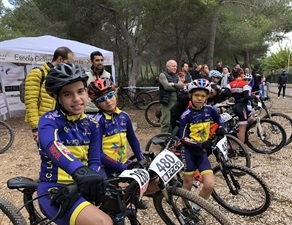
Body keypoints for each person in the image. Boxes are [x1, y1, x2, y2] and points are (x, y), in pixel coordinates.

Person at [37, 63, 112, 225]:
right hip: (55, 188)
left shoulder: (93, 124)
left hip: (81, 186)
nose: (77, 99)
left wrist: (94, 177)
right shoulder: (48, 121)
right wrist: (79, 171)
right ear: (56, 97)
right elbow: (53, 146)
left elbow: (95, 160)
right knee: (103, 222)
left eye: (80, 91)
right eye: (67, 94)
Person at [87, 77, 157, 209]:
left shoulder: (124, 116)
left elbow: (133, 140)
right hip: (103, 167)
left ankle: (134, 197)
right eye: (101, 99)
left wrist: (142, 159)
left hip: (120, 163)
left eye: (110, 95)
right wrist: (122, 167)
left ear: (116, 93)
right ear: (96, 104)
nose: (107, 101)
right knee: (108, 199)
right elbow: (98, 154)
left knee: (150, 178)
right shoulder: (98, 121)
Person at [178, 78, 225, 210]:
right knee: (188, 183)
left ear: (207, 97)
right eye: (196, 95)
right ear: (190, 96)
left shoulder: (210, 110)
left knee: (209, 185)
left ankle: (195, 209)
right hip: (188, 151)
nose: (199, 98)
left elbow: (219, 118)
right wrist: (200, 145)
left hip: (201, 152)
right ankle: (185, 209)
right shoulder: (186, 115)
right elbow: (182, 138)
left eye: (203, 96)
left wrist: (221, 128)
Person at [25, 47, 74, 143]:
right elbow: (31, 101)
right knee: (48, 153)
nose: (70, 65)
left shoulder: (63, 76)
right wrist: (35, 127)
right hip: (45, 123)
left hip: (62, 122)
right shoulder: (37, 73)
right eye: (68, 62)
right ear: (60, 59)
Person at [227, 68, 255, 144]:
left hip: (235, 105)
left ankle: (235, 132)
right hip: (242, 106)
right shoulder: (244, 84)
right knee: (243, 127)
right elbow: (246, 97)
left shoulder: (230, 84)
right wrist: (254, 97)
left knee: (251, 121)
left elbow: (225, 94)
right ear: (241, 74)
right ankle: (241, 149)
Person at [158, 59, 184, 133]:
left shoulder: (176, 76)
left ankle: (170, 139)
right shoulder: (162, 75)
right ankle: (163, 138)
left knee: (173, 121)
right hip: (167, 102)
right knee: (166, 122)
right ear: (168, 67)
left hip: (176, 102)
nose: (175, 67)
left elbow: (181, 86)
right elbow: (166, 87)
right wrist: (177, 87)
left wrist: (173, 84)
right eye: (173, 66)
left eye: (176, 66)